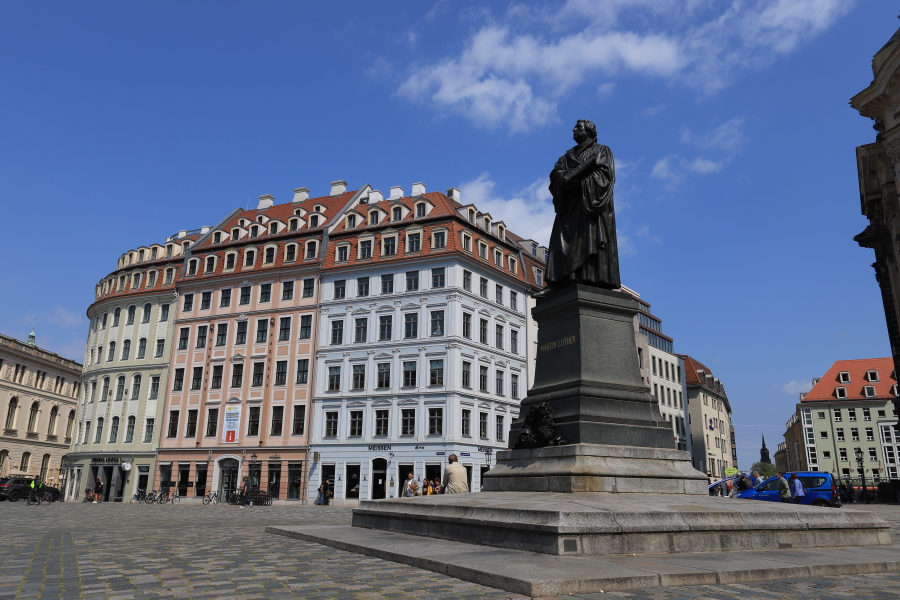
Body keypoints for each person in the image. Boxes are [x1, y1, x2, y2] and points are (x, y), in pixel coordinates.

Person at [535, 119, 619, 298]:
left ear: (589, 131)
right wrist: (562, 179)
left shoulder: (602, 150)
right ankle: (559, 282)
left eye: (578, 127)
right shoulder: (566, 157)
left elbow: (605, 176)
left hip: (590, 206)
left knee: (589, 238)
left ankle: (592, 279)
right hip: (569, 207)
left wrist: (577, 181)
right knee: (559, 241)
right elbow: (555, 175)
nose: (573, 129)